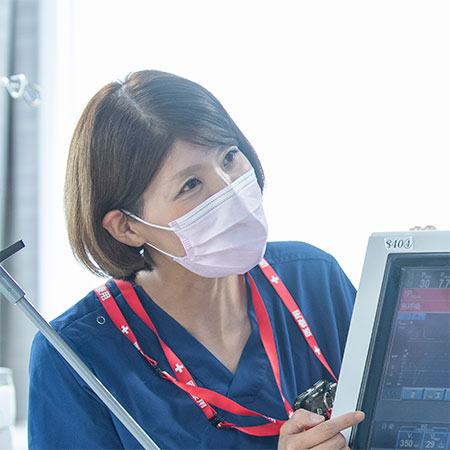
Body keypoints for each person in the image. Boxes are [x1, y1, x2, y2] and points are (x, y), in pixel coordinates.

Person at [28, 70, 364, 449]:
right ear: (126, 227)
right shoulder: (76, 357)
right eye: (190, 184)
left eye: (229, 156)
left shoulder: (313, 278)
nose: (230, 190)